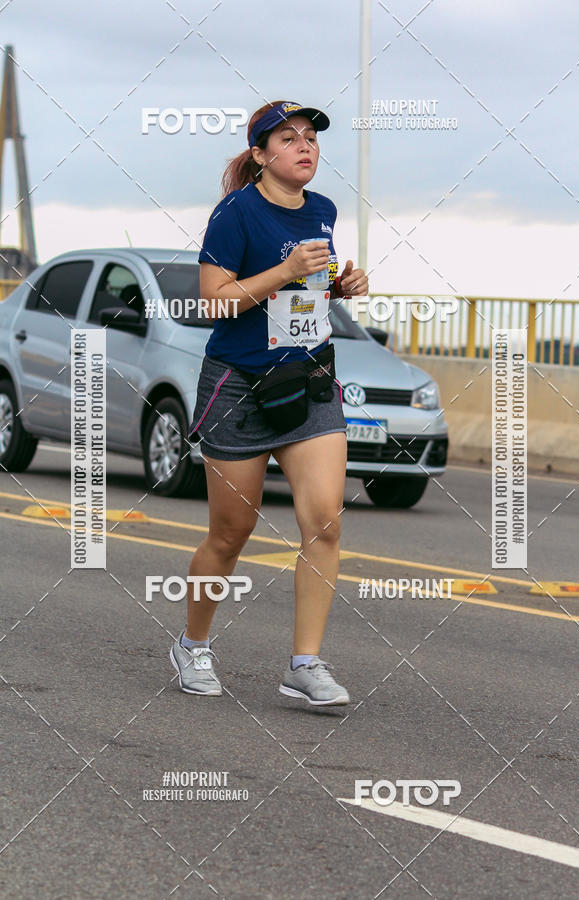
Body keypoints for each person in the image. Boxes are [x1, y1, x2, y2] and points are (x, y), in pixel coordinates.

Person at [169, 100, 368, 706]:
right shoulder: (235, 214)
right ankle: (192, 644)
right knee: (231, 535)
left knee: (325, 520)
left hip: (307, 381)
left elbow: (306, 292)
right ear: (260, 155)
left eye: (311, 138)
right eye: (289, 139)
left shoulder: (325, 210)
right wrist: (284, 270)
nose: (305, 146)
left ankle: (304, 664)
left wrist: (339, 287)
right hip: (240, 387)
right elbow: (215, 302)